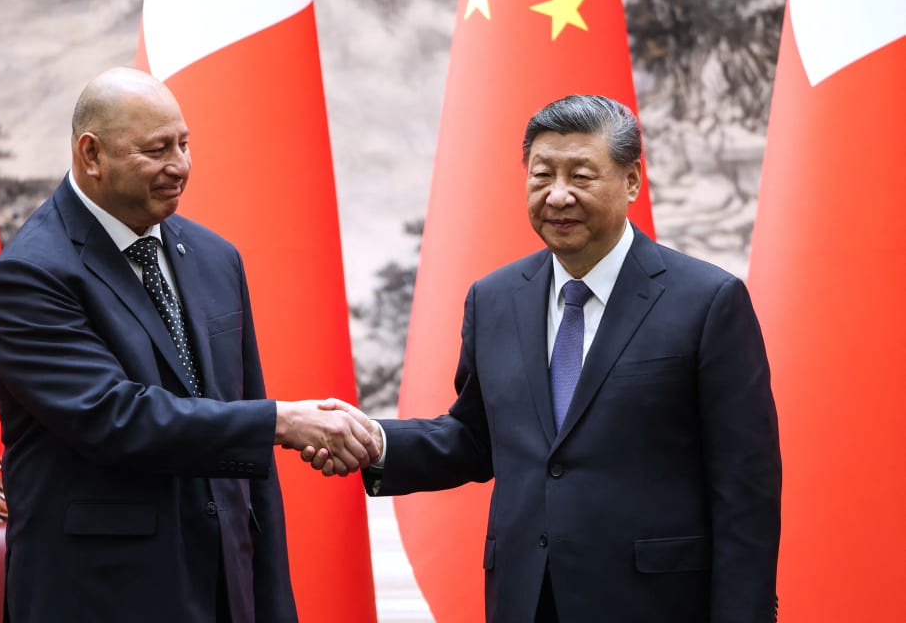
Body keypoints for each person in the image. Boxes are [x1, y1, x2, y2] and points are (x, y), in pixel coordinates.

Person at [307, 94, 781, 622]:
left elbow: (746, 490)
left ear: (631, 181)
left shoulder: (708, 301)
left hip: (655, 603)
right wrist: (376, 441)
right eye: (541, 176)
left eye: (581, 176)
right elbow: (474, 438)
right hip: (526, 599)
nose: (558, 196)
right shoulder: (495, 299)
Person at [0, 67, 377, 623]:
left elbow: (247, 460)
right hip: (101, 597)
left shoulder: (216, 258)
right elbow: (116, 418)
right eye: (156, 149)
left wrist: (271, 602)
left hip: (224, 589)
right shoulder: (29, 277)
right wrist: (281, 421)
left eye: (185, 143)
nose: (180, 166)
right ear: (91, 155)